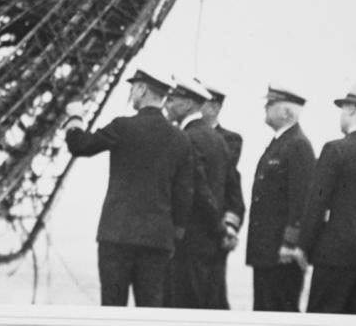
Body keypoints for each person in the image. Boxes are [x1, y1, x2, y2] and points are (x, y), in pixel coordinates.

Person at [64, 68, 193, 307]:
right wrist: (174, 236)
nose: (131, 94)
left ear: (142, 89)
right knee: (150, 312)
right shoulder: (181, 138)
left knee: (113, 310)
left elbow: (80, 146)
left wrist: (75, 117)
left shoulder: (123, 127)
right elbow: (184, 193)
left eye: (133, 88)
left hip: (116, 236)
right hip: (158, 240)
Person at [293, 82, 356, 314]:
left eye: (343, 109)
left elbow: (316, 202)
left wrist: (302, 246)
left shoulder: (335, 150)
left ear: (350, 109)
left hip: (334, 255)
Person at [162, 76, 236, 309]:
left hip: (188, 244)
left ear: (187, 105)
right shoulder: (217, 138)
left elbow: (198, 189)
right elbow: (230, 187)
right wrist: (224, 228)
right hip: (210, 245)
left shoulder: (186, 138)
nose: (167, 104)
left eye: (172, 99)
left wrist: (219, 227)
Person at [245, 84, 316, 311]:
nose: (266, 107)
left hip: (281, 253)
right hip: (267, 252)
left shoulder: (298, 145)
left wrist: (290, 242)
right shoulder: (280, 143)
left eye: (271, 103)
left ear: (287, 112)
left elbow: (302, 200)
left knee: (279, 310)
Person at [199, 81, 246, 309]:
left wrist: (229, 227)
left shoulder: (230, 139)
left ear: (215, 107)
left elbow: (226, 183)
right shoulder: (182, 134)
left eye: (202, 101)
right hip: (187, 233)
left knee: (213, 293)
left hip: (214, 227)